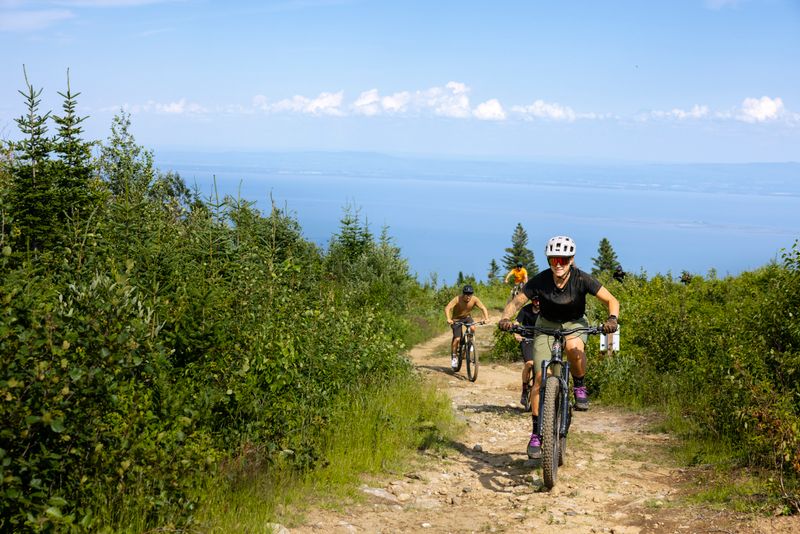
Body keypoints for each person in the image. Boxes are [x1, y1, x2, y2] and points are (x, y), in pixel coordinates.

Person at [498, 235, 619, 460]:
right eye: (554, 260)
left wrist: (612, 319)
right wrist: (505, 318)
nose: (559, 264)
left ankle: (579, 386)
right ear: (549, 261)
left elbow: (612, 300)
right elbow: (516, 303)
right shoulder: (540, 280)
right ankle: (536, 433)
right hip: (545, 325)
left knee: (573, 348)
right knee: (540, 376)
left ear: (571, 259)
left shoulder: (582, 279)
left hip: (575, 323)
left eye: (563, 259)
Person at [444, 285, 490, 370]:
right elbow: (447, 308)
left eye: (470, 294)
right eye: (467, 294)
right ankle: (454, 357)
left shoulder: (474, 299)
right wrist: (448, 319)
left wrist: (486, 318)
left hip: (467, 318)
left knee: (472, 328)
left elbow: (483, 308)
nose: (469, 296)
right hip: (456, 319)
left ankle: (469, 343)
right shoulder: (457, 299)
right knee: (457, 339)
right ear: (463, 294)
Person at [514, 297, 539, 406]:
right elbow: (516, 322)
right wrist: (516, 333)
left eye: (539, 300)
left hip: (541, 340)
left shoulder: (547, 310)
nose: (537, 302)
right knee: (529, 363)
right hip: (527, 340)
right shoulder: (525, 310)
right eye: (535, 300)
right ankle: (525, 390)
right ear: (532, 301)